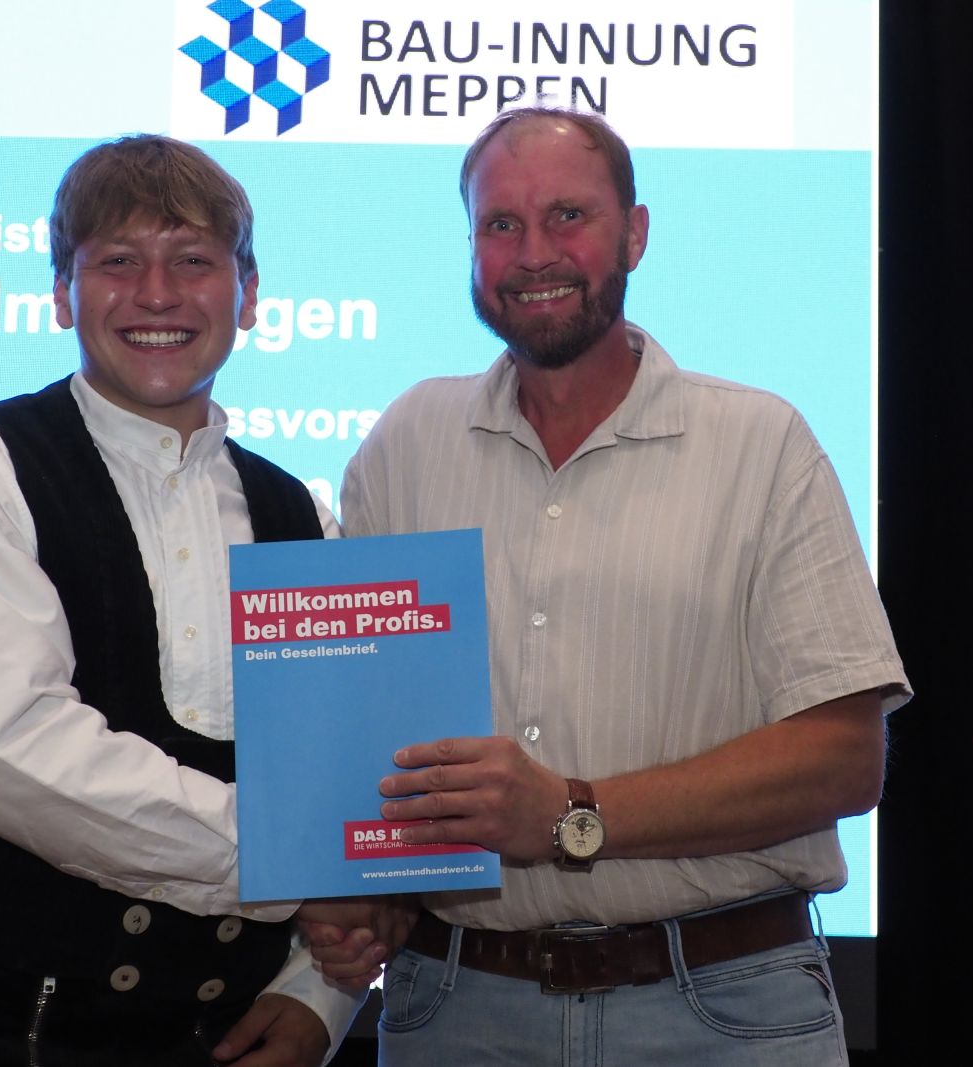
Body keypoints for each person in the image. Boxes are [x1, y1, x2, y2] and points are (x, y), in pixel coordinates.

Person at [331, 108, 912, 1065]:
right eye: (501, 224)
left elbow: (844, 760)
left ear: (635, 234)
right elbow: (352, 726)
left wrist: (570, 814)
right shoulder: (408, 441)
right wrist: (349, 897)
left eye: (569, 215)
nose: (534, 252)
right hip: (459, 1007)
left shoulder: (761, 444)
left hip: (721, 1010)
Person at [0, 134, 367, 1067]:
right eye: (117, 261)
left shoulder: (304, 521)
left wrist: (320, 991)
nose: (158, 293)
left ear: (248, 294)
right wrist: (298, 865)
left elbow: (345, 783)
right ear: (64, 293)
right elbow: (4, 754)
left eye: (193, 261)